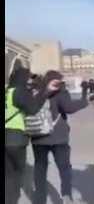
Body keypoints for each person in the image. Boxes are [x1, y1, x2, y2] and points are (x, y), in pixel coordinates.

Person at [31, 70, 88, 204]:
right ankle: (66, 196)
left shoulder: (36, 92)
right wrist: (84, 102)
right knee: (64, 168)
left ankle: (40, 198)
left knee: (40, 167)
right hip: (58, 137)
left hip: (38, 136)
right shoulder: (60, 92)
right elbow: (69, 108)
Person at [5, 68, 60, 204]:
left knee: (8, 173)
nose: (29, 81)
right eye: (28, 78)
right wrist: (46, 92)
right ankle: (12, 200)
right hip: (15, 138)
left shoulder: (8, 91)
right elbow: (33, 109)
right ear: (22, 78)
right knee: (16, 174)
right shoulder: (19, 92)